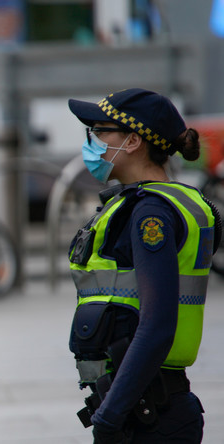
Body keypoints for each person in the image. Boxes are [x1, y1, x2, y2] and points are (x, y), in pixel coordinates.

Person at [66, 88, 217, 443]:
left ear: (133, 141)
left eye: (100, 131)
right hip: (144, 402)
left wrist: (109, 417)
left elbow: (158, 325)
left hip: (149, 412)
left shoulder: (152, 213)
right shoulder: (147, 203)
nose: (93, 141)